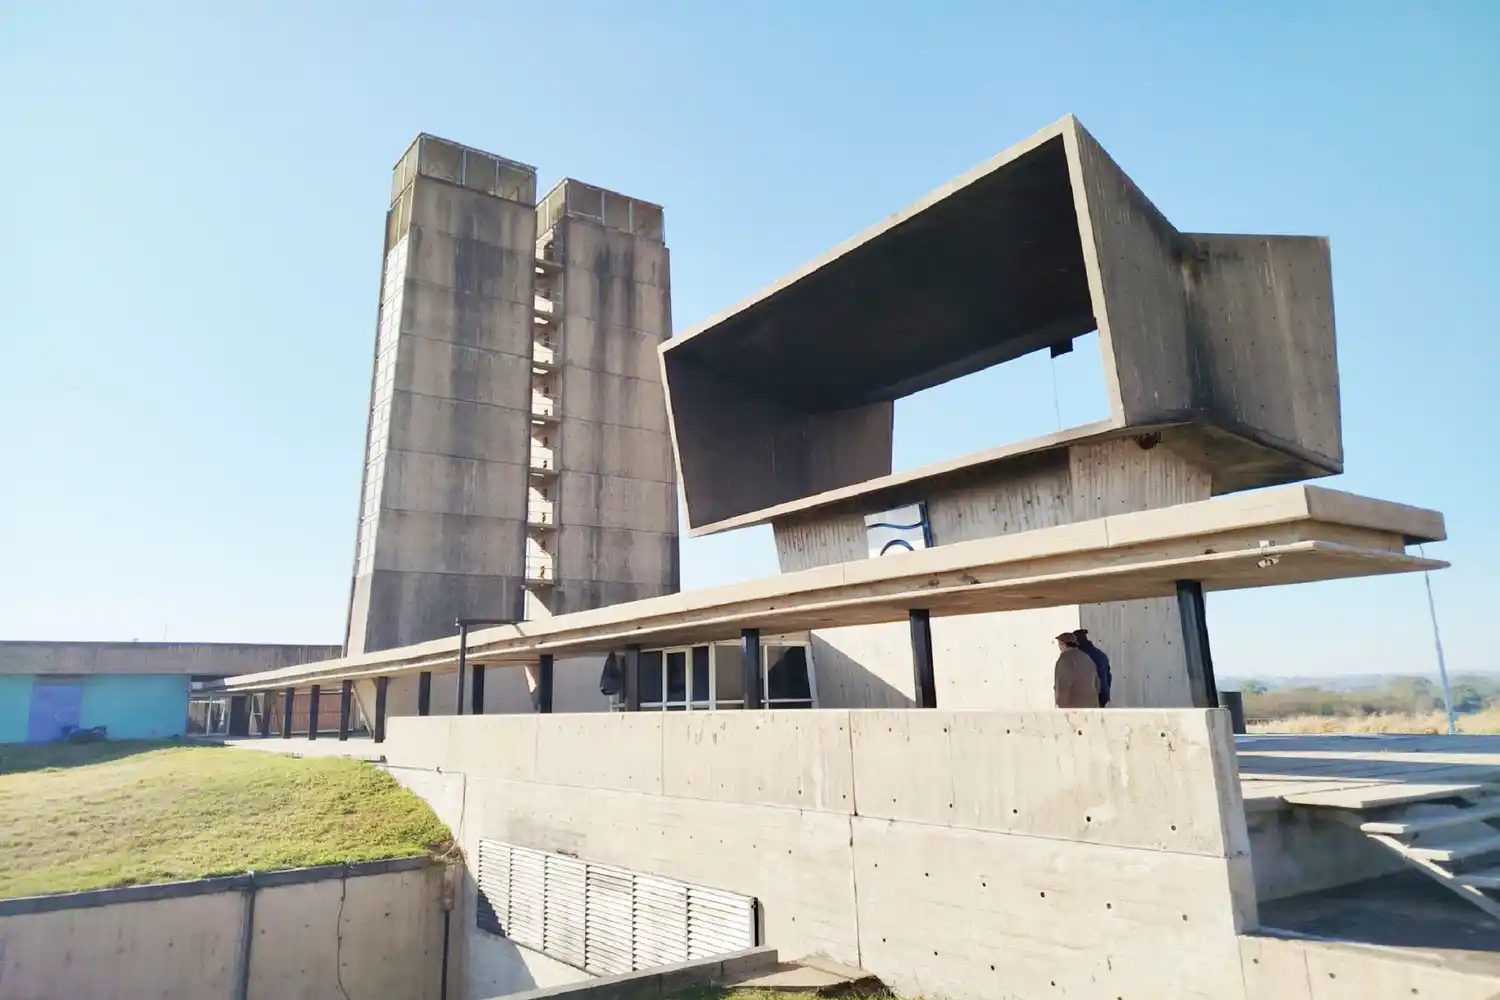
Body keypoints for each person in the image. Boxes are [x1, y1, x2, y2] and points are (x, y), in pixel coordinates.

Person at [1054, 632, 1100, 709]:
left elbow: (1063, 684)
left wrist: (1060, 705)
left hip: (1073, 708)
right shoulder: (1087, 658)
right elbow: (1097, 684)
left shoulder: (1064, 659)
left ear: (1062, 644)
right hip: (1092, 705)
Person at [1074, 629, 1112, 708]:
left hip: (1090, 697)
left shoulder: (1082, 657)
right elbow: (1109, 677)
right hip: (1103, 694)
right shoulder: (1101, 654)